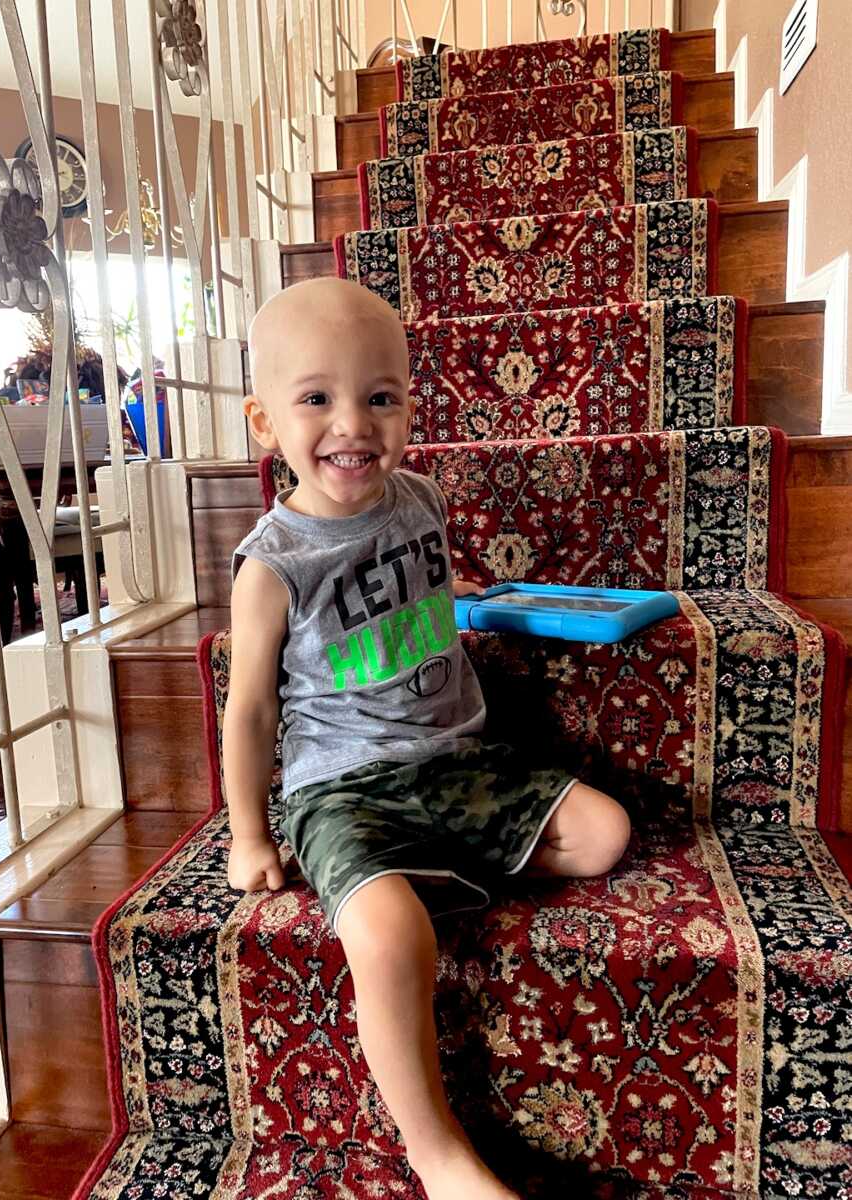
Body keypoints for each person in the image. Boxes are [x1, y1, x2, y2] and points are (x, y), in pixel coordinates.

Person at [223, 277, 631, 1200]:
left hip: (456, 760)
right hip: (342, 787)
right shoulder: (274, 566)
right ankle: (435, 1148)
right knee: (389, 931)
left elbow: (432, 602)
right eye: (317, 398)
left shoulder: (422, 500)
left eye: (380, 397)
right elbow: (248, 710)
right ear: (263, 422)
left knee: (604, 832)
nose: (353, 425)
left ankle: (441, 866)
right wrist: (251, 836)